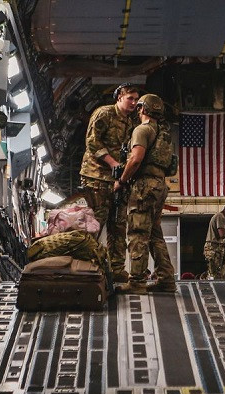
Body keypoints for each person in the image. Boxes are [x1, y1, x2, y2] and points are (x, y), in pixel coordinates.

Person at [79, 83, 140, 285]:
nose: (133, 102)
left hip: (117, 181)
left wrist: (123, 174)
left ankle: (116, 269)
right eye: (130, 98)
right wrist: (113, 164)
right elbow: (92, 142)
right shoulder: (103, 114)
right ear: (119, 98)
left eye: (136, 99)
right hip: (97, 177)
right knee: (96, 223)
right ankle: (86, 266)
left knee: (118, 225)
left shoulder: (130, 123)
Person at [118, 93, 176, 294]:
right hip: (160, 186)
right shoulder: (163, 134)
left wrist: (121, 181)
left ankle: (136, 281)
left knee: (138, 232)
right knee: (154, 234)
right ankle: (166, 278)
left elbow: (135, 159)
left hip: (144, 185)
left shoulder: (142, 130)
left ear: (143, 109)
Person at [204, 204, 225, 279]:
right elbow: (222, 234)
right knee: (215, 273)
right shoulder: (220, 216)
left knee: (216, 271)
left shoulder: (219, 216)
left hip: (215, 247)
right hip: (214, 247)